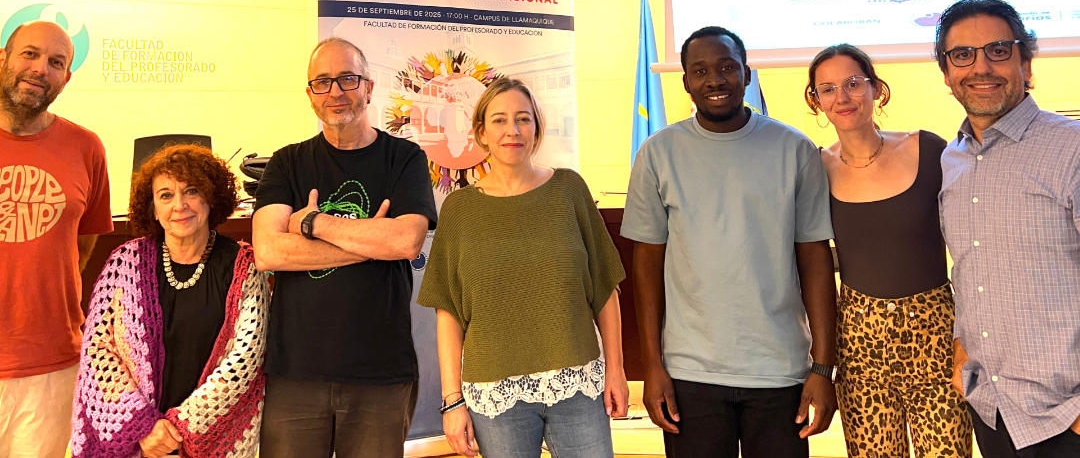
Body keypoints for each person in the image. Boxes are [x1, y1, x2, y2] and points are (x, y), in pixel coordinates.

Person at [622, 26, 838, 458]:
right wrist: (653, 367)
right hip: (690, 375)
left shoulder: (794, 149)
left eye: (726, 67)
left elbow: (816, 260)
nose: (715, 80)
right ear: (685, 82)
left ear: (747, 74)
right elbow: (646, 266)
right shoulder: (657, 153)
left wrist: (821, 367)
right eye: (700, 70)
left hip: (780, 373)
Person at [417, 77, 629, 458]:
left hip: (578, 384)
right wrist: (452, 401)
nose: (512, 130)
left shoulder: (569, 191)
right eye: (499, 120)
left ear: (537, 128)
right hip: (495, 396)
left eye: (523, 119)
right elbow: (447, 310)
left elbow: (604, 288)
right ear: (481, 132)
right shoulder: (460, 210)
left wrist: (616, 370)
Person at [252, 37, 437, 458]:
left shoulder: (404, 159)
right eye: (323, 82)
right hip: (295, 374)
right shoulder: (287, 163)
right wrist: (373, 240)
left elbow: (407, 240)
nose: (336, 91)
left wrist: (315, 223)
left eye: (348, 78)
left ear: (369, 87)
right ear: (310, 96)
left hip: (381, 372)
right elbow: (269, 251)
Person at [807, 44, 973, 457]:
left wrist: (968, 343)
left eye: (852, 84)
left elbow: (970, 244)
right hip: (860, 346)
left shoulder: (929, 150)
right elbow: (816, 257)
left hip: (936, 339)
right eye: (827, 89)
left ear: (876, 88)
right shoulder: (814, 168)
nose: (842, 98)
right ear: (816, 101)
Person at [936, 0, 1080, 457]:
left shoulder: (1070, 149)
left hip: (1066, 415)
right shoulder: (951, 160)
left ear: (1026, 61)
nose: (981, 67)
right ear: (947, 73)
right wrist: (961, 347)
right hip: (993, 408)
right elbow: (969, 267)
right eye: (963, 55)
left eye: (998, 50)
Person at [71, 144, 269, 458]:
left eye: (191, 191)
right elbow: (99, 351)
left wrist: (183, 427)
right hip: (137, 441)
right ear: (151, 207)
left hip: (210, 435)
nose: (179, 205)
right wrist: (143, 426)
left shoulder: (243, 267)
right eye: (165, 195)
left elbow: (246, 358)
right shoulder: (125, 263)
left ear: (211, 197)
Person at [0, 20, 112, 457]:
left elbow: (83, 246)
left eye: (56, 62)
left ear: (66, 77)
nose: (40, 68)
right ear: (4, 58)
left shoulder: (86, 147)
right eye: (29, 54)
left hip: (49, 364)